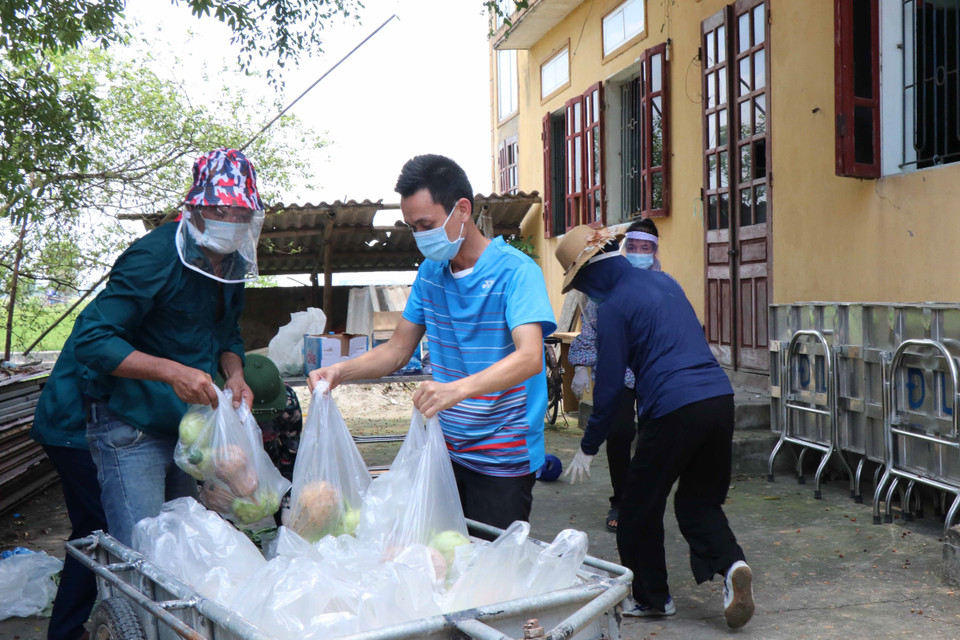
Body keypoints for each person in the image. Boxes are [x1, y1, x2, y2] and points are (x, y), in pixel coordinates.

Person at [308, 154, 556, 529]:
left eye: (427, 224)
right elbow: (397, 349)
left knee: (491, 573)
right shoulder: (430, 274)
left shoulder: (516, 273)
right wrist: (339, 371)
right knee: (444, 559)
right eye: (413, 227)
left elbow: (529, 358)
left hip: (503, 454)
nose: (421, 236)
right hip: (444, 449)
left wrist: (455, 390)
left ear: (462, 210)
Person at [62, 148, 265, 548]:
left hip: (184, 427)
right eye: (220, 211)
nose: (231, 221)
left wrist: (236, 374)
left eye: (241, 214)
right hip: (130, 425)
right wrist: (171, 371)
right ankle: (128, 613)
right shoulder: (154, 256)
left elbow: (225, 333)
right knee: (143, 550)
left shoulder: (231, 264)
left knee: (183, 544)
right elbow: (92, 338)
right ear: (194, 208)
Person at [555, 225, 755, 629]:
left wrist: (588, 446)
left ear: (593, 272)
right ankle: (733, 566)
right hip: (718, 399)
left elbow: (610, 386)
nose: (585, 292)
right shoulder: (666, 285)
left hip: (672, 408)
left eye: (581, 282)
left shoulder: (613, 306)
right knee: (698, 502)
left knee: (636, 509)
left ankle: (652, 599)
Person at [567, 218, 664, 533]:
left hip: (653, 371)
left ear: (655, 251)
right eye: (632, 247)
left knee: (653, 435)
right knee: (620, 431)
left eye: (645, 248)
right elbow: (592, 327)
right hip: (618, 370)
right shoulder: (608, 286)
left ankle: (647, 500)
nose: (638, 253)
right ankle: (621, 499)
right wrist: (581, 365)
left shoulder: (666, 286)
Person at [31, 343, 107, 640]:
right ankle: (66, 630)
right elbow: (97, 379)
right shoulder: (117, 314)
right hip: (73, 431)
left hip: (70, 428)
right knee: (98, 530)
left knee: (92, 529)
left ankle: (67, 628)